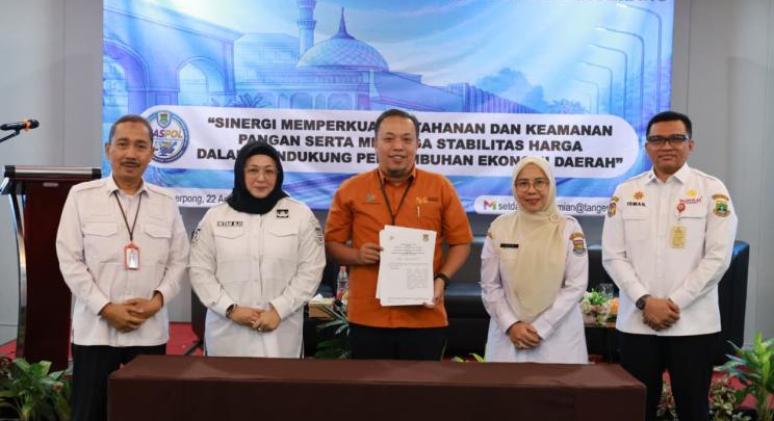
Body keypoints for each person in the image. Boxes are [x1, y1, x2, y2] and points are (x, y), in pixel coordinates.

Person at [602, 111, 738, 421]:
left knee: (693, 410)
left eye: (676, 138)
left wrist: (674, 303)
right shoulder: (626, 192)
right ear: (647, 146)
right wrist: (645, 301)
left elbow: (718, 257)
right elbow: (613, 255)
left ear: (691, 144)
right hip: (638, 323)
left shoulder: (711, 190)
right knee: (636, 410)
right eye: (657, 139)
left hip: (692, 325)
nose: (666, 146)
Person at [56, 114, 189, 421]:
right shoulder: (81, 197)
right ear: (108, 149)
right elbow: (69, 259)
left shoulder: (166, 202)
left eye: (140, 146)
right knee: (88, 413)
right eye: (123, 144)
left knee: (146, 412)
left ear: (151, 153)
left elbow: (179, 259)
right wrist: (106, 308)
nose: (131, 153)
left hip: (149, 331)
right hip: (95, 331)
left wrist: (156, 302)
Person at [325, 108, 473, 360]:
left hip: (424, 316)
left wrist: (442, 279)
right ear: (374, 143)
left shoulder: (440, 187)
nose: (398, 147)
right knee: (371, 385)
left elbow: (462, 242)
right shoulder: (350, 190)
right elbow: (332, 244)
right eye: (389, 138)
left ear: (418, 144)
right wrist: (357, 256)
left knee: (422, 385)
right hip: (368, 317)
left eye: (406, 139)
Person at [189, 141, 325, 357]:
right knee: (225, 380)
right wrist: (231, 309)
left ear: (278, 175)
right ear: (240, 173)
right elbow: (199, 271)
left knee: (279, 378)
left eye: (269, 171)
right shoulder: (215, 217)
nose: (261, 178)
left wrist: (279, 310)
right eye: (253, 170)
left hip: (280, 332)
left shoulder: (300, 215)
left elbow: (311, 270)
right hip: (227, 334)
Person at [481, 157, 588, 363]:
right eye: (523, 183)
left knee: (558, 385)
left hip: (559, 337)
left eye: (539, 182)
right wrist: (512, 325)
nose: (531, 190)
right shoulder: (500, 227)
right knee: (505, 384)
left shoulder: (569, 228)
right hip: (509, 335)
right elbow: (490, 285)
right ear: (514, 188)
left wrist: (541, 327)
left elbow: (575, 286)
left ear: (550, 185)